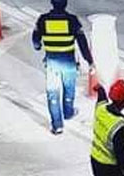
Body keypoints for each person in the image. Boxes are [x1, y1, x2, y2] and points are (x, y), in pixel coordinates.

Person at [32, 0, 93, 134]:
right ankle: (68, 112)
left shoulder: (43, 20)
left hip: (52, 63)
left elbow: (35, 40)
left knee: (53, 93)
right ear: (65, 4)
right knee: (69, 89)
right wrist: (89, 61)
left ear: (52, 3)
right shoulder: (72, 20)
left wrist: (38, 46)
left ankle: (57, 125)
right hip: (68, 62)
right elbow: (83, 44)